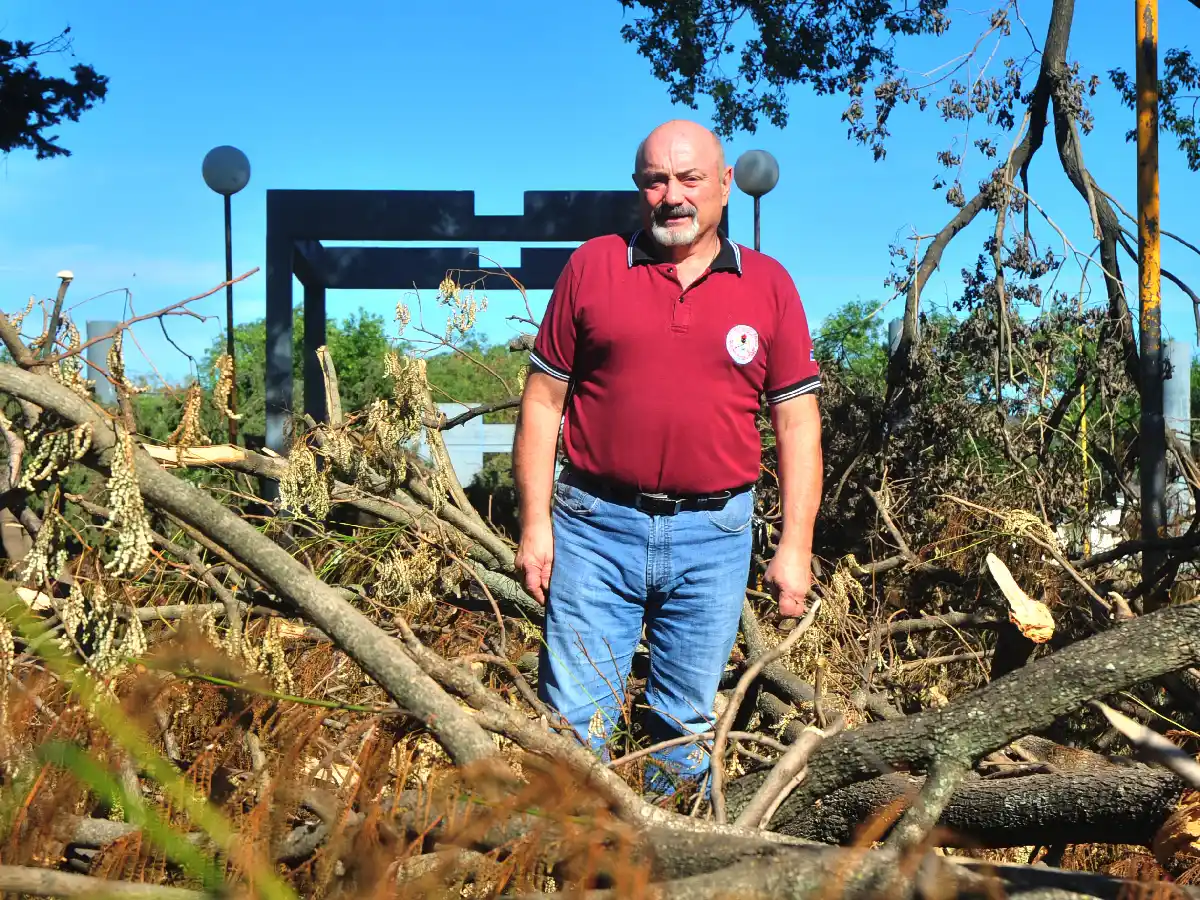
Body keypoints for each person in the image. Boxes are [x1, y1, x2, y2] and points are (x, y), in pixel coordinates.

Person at [512, 119, 822, 793]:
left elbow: (797, 423)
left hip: (713, 538)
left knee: (684, 727)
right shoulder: (593, 267)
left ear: (723, 185)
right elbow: (542, 402)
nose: (673, 195)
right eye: (656, 180)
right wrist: (536, 523)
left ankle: (670, 872)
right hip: (593, 530)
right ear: (638, 188)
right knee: (573, 728)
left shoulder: (768, 285)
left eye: (689, 179)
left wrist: (794, 545)